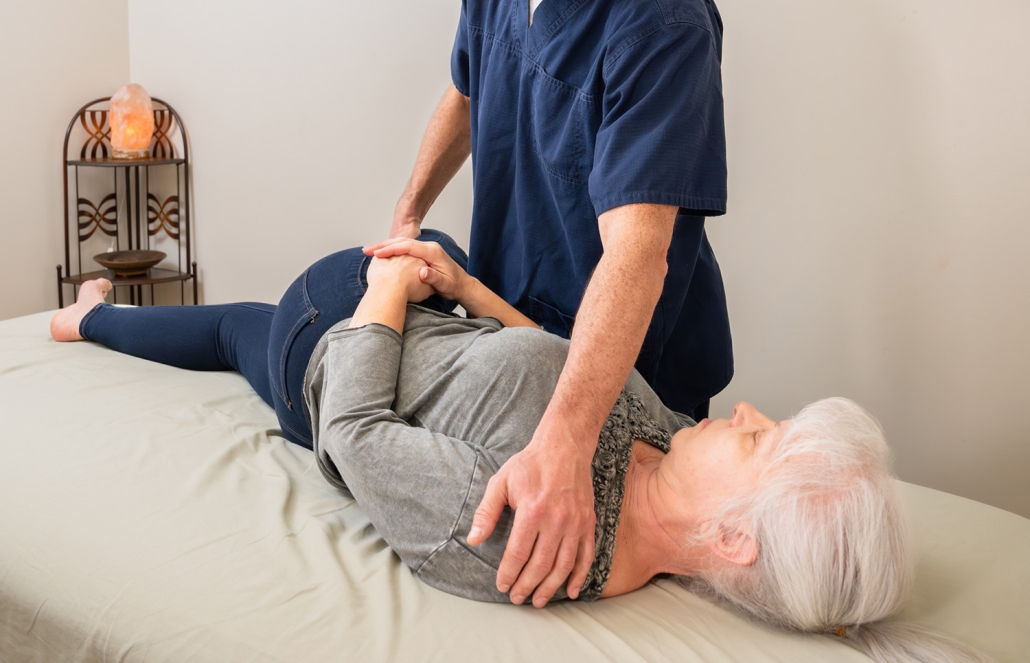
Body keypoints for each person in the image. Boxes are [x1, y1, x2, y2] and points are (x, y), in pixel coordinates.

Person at [50, 236, 988, 663]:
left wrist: (386, 296)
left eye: (759, 440)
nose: (743, 411)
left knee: (233, 331)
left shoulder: (533, 534)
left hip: (332, 345)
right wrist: (459, 281)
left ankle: (89, 317)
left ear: (736, 541)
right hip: (434, 305)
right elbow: (560, 359)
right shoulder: (664, 441)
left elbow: (354, 435)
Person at [380, 0, 735, 606]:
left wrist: (566, 441)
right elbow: (469, 92)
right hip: (511, 331)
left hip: (630, 370)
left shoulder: (666, 23)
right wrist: (410, 211)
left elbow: (637, 252)